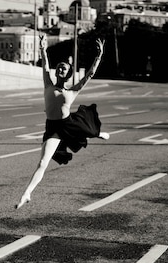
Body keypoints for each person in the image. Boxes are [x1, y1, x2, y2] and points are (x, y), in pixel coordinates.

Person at [16, 35, 109, 209]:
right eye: (59, 67)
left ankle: (97, 133)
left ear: (68, 74)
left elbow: (89, 74)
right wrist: (42, 48)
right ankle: (27, 193)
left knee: (86, 129)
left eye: (64, 68)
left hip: (68, 123)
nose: (60, 69)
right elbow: (45, 65)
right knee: (43, 162)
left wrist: (99, 56)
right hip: (52, 128)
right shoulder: (48, 84)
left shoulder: (73, 91)